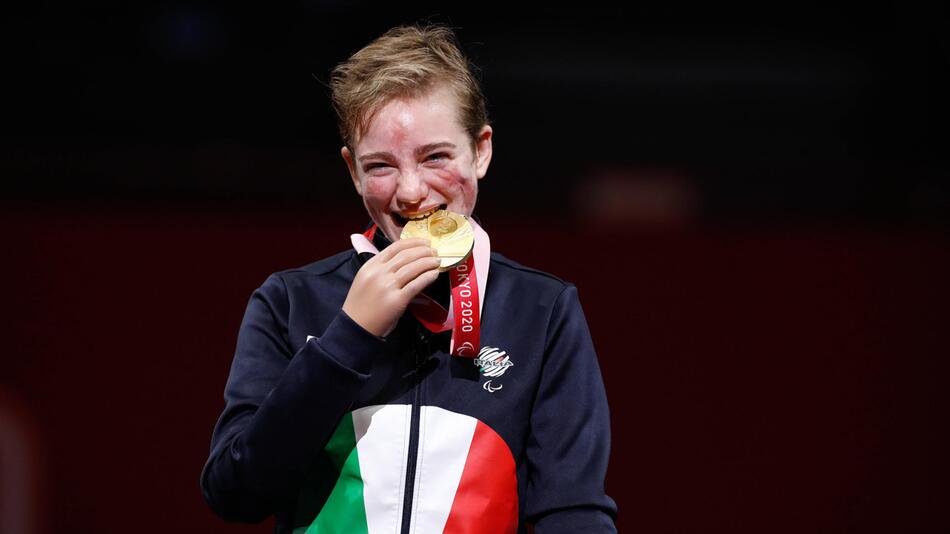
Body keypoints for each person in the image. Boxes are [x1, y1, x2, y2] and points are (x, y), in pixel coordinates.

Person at [200, 23, 617, 533]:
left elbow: (572, 514)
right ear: (353, 172)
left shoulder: (542, 310)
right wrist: (349, 338)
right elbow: (235, 493)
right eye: (380, 166)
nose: (412, 192)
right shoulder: (289, 301)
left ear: (480, 151)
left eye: (435, 156)